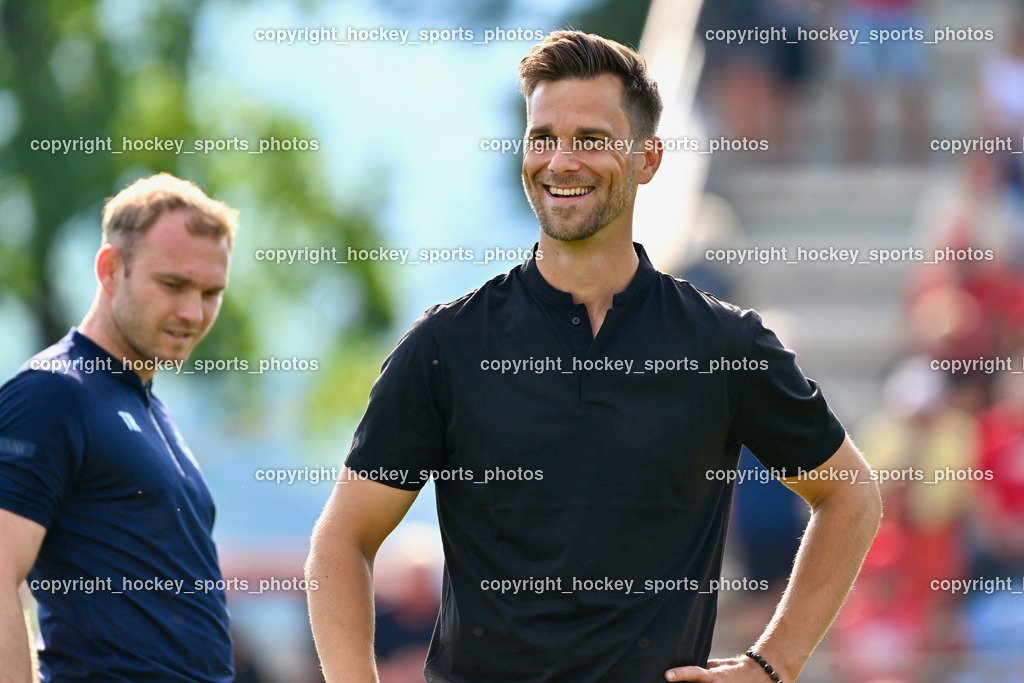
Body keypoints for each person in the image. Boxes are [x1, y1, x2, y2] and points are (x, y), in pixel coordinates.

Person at [306, 30, 882, 682]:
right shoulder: (445, 347)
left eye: (590, 140)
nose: (560, 160)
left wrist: (771, 665)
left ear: (648, 159)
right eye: (543, 137)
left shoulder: (725, 346)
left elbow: (851, 494)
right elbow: (342, 541)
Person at [0, 173, 239, 681]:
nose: (193, 312)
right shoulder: (51, 393)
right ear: (111, 268)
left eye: (211, 292)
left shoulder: (151, 409)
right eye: (173, 284)